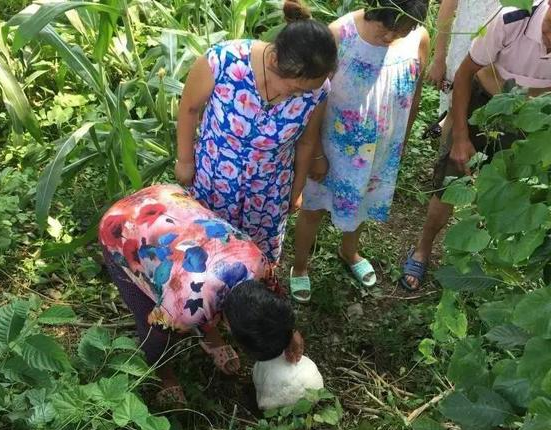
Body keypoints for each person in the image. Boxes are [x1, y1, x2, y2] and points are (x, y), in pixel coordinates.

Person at [99, 184, 305, 405]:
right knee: (145, 311)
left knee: (203, 307)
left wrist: (288, 332)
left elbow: (274, 290)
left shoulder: (257, 261)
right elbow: (155, 333)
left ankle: (211, 340)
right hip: (120, 226)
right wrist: (163, 368)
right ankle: (166, 377)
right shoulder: (184, 311)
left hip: (167, 197)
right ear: (229, 328)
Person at [402, 0, 551, 291]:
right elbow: (465, 74)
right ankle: (423, 248)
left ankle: (484, 258)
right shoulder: (512, 19)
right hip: (479, 103)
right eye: (549, 29)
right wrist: (459, 137)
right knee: (449, 183)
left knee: (508, 192)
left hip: (529, 118)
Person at [175, 0, 337, 263]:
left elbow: (306, 143)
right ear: (274, 59)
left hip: (269, 191)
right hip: (215, 179)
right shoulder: (223, 61)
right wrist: (184, 160)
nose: (298, 97)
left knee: (256, 261)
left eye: (306, 92)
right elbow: (190, 108)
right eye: (294, 88)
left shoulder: (317, 90)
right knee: (208, 254)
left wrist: (295, 191)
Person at [289, 0, 430, 301]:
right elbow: (314, 101)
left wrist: (401, 141)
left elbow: (414, 93)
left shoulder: (419, 39)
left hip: (380, 149)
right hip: (331, 148)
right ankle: (300, 267)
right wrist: (315, 153)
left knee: (363, 199)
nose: (392, 37)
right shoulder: (340, 36)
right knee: (313, 207)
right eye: (386, 27)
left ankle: (349, 251)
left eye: (401, 30)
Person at [428, 0, 500, 116]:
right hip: (462, 50)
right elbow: (447, 7)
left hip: (498, 55)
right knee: (450, 111)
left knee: (488, 115)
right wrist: (439, 59)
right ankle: (443, 132)